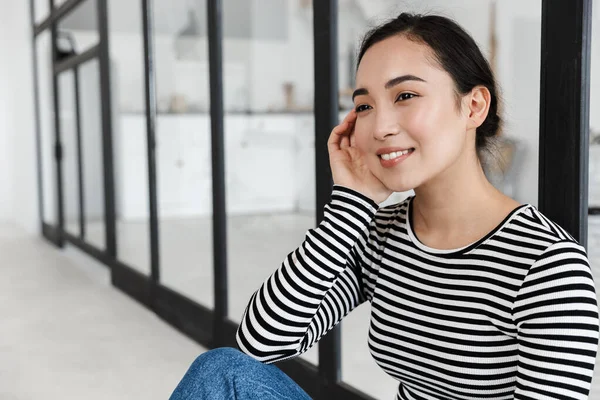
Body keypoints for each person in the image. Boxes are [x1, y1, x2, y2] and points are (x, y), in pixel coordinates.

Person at [170, 12, 599, 400]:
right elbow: (262, 342)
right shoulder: (385, 234)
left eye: (406, 96)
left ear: (473, 106)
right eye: (364, 106)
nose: (381, 126)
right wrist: (350, 207)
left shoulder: (546, 266)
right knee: (221, 372)